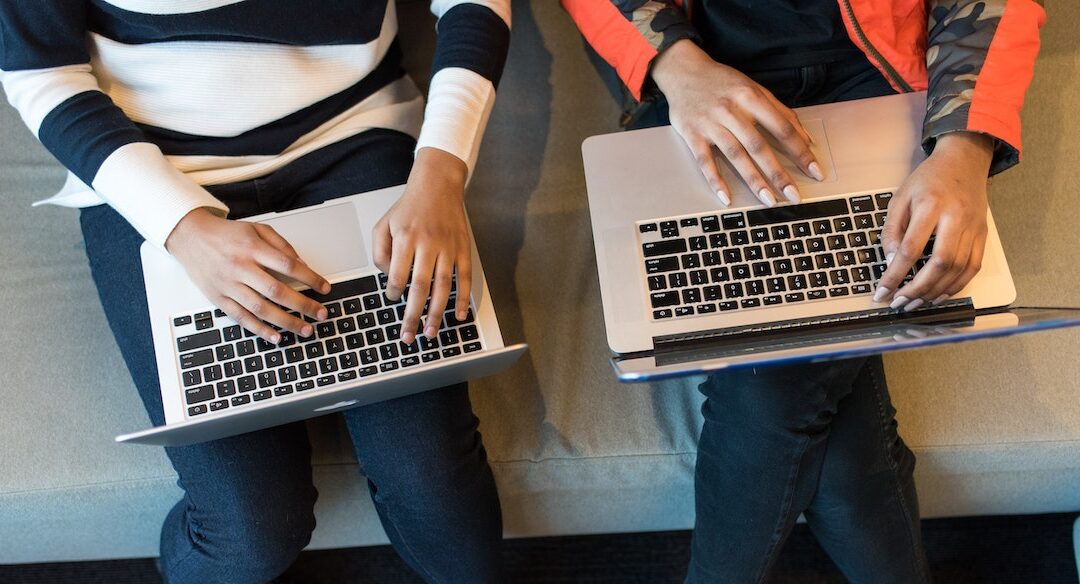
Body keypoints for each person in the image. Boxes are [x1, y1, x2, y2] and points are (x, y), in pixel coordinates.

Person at [1, 1, 510, 582]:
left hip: (352, 132)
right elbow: (40, 71)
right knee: (250, 531)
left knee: (435, 479)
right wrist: (181, 226)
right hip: (154, 161)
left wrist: (442, 175)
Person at [562, 0, 1044, 581]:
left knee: (771, 396)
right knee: (811, 415)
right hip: (702, 78)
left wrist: (965, 145)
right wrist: (677, 65)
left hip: (879, 82)